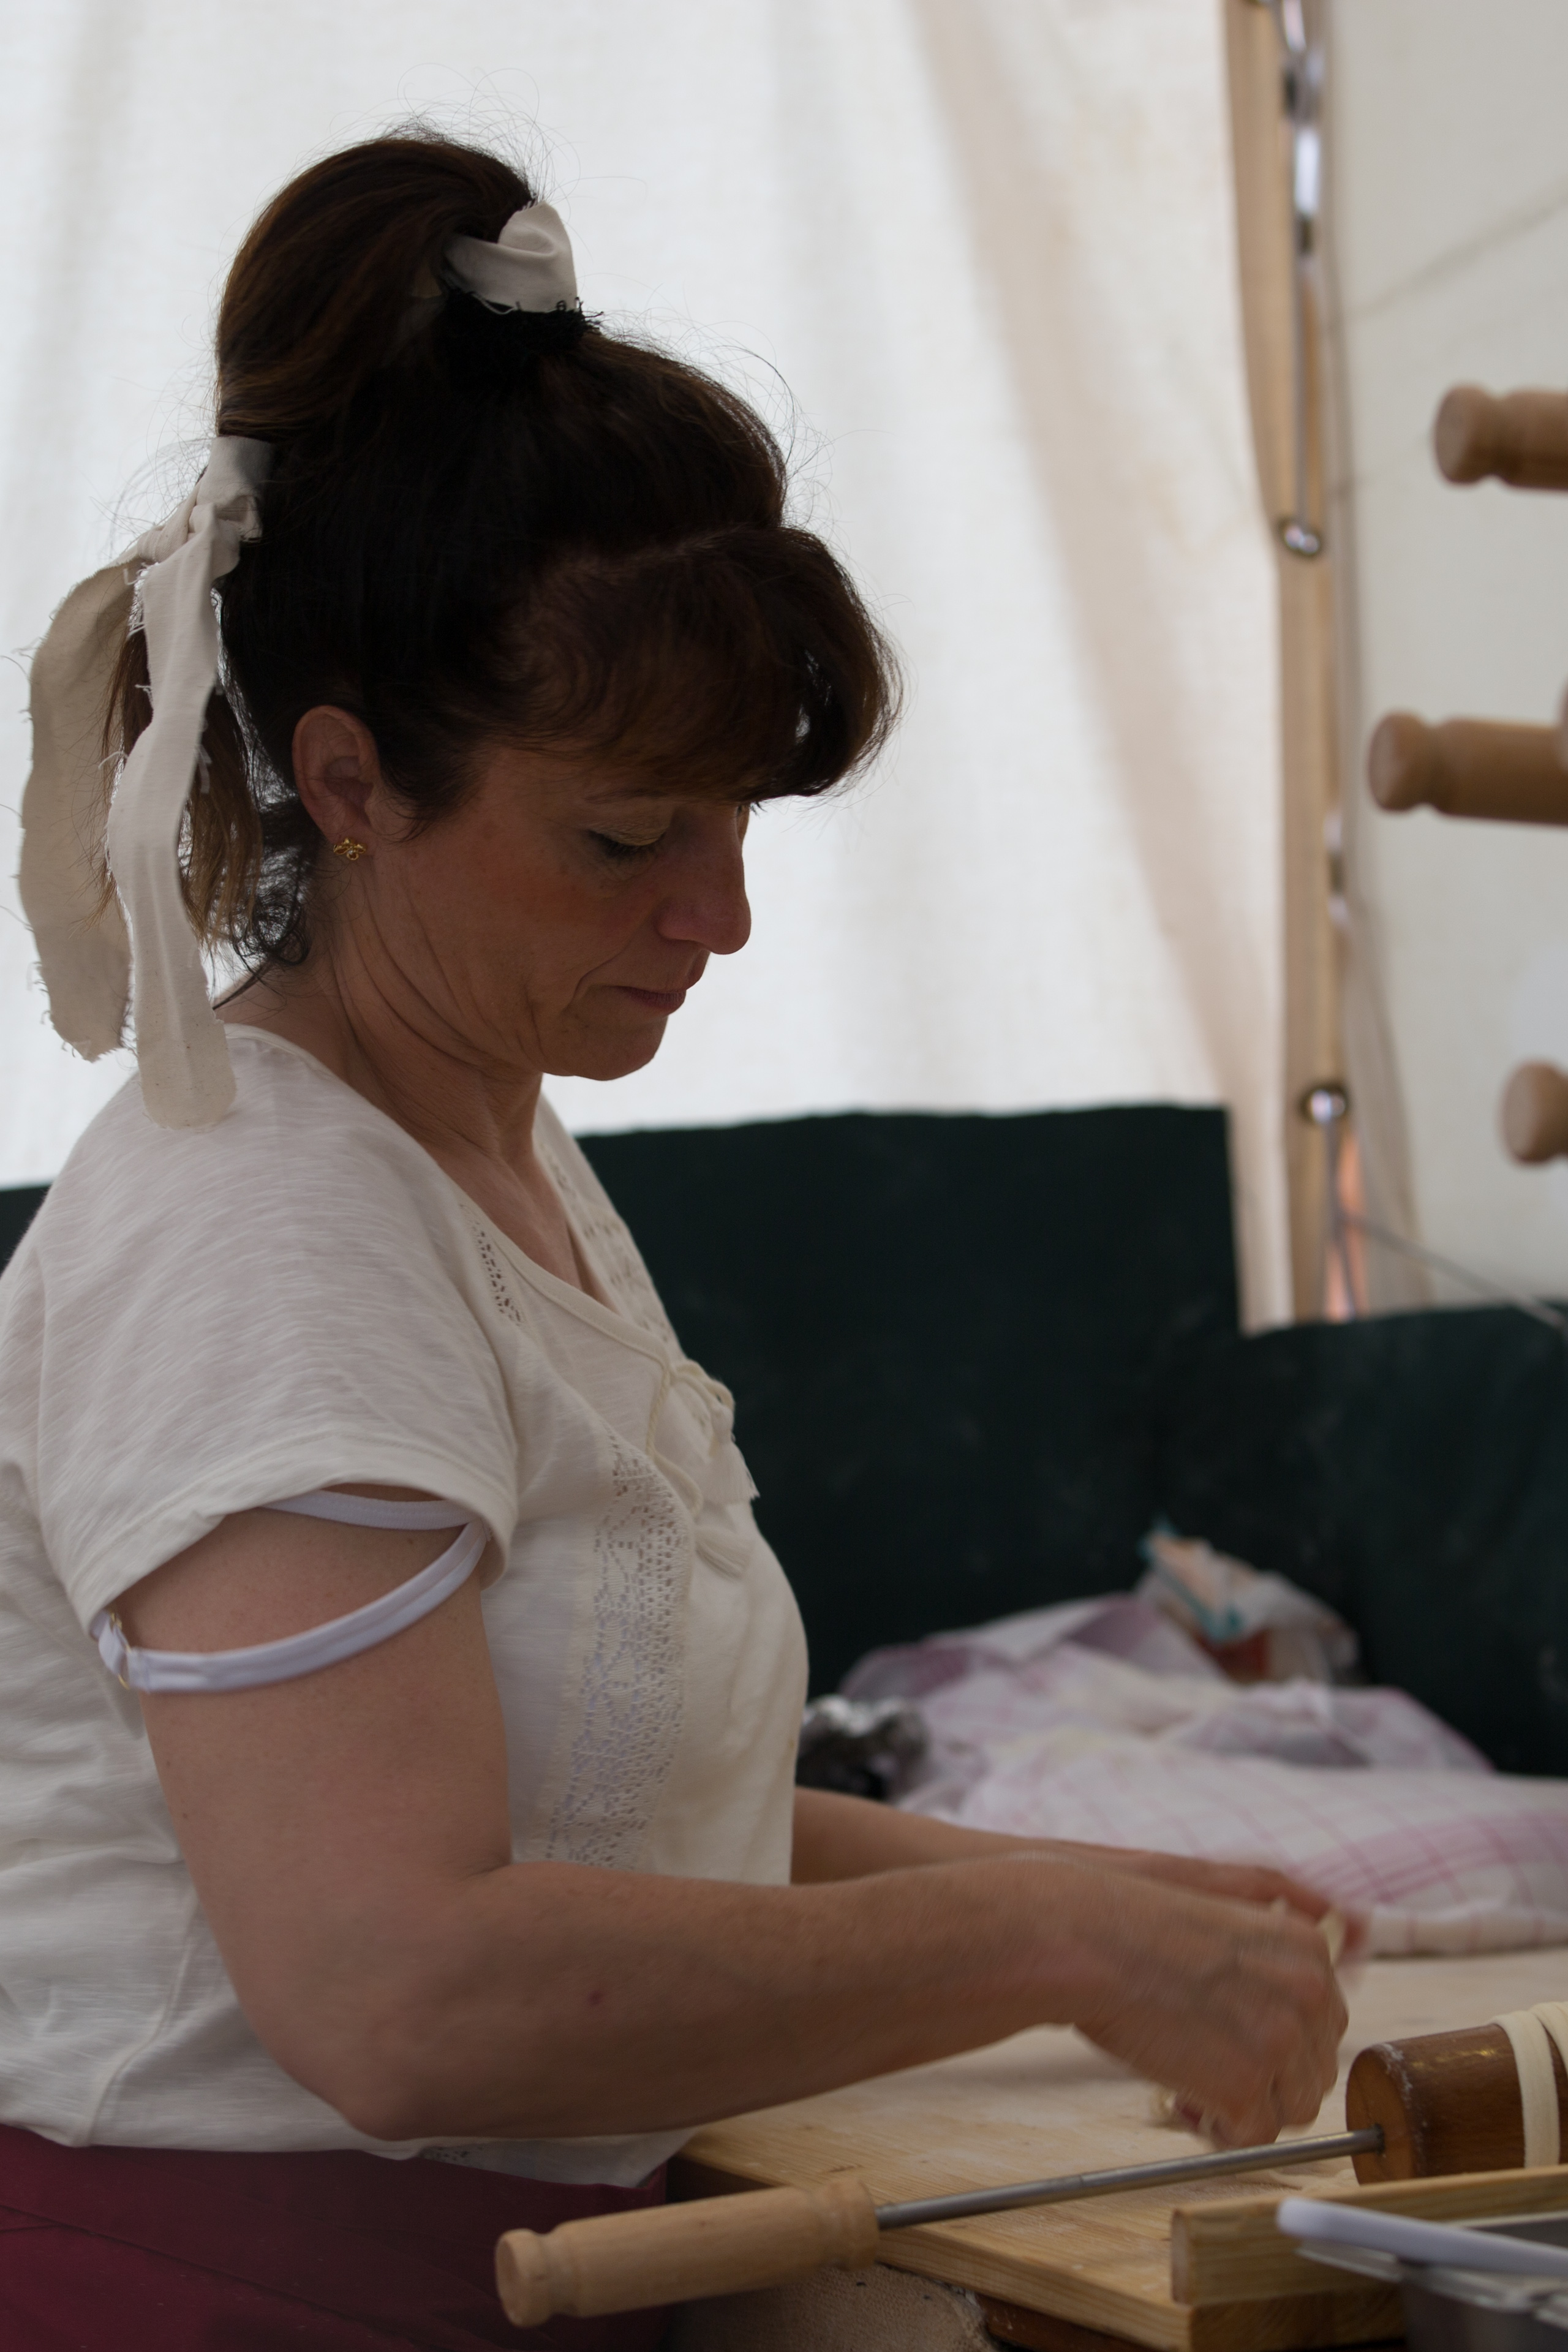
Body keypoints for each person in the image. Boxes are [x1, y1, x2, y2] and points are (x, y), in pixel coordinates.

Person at [0, 132, 1348, 2352]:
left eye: (733, 827)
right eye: (627, 837)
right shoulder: (259, 1222)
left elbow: (636, 1825)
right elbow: (396, 1997)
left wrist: (1126, 1904)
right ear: (347, 782)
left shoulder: (484, 1149)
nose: (715, 917)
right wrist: (1055, 1946)